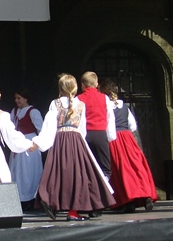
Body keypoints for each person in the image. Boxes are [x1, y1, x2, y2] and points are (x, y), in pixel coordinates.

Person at [33, 74, 116, 221]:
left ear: (60, 88)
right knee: (78, 176)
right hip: (76, 140)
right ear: (76, 88)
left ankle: (49, 200)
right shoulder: (81, 104)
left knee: (56, 173)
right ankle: (72, 211)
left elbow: (49, 126)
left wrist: (40, 143)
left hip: (60, 139)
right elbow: (82, 128)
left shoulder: (55, 103)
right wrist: (79, 143)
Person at [98, 78, 158, 212]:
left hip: (114, 139)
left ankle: (127, 201)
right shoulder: (124, 106)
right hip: (128, 138)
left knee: (120, 170)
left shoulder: (106, 107)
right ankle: (146, 195)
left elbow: (107, 126)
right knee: (136, 166)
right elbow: (133, 125)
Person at [77, 71, 116, 180]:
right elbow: (110, 118)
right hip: (101, 134)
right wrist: (110, 136)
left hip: (85, 135)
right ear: (96, 84)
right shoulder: (104, 98)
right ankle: (104, 187)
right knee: (105, 168)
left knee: (85, 166)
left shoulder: (78, 99)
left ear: (82, 85)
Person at [9, 87, 44, 210]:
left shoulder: (33, 112)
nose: (17, 100)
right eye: (15, 98)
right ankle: (18, 198)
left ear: (26, 98)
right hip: (18, 144)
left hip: (29, 144)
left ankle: (30, 198)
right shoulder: (14, 111)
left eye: (19, 98)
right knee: (17, 171)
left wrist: (38, 144)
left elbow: (41, 129)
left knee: (28, 172)